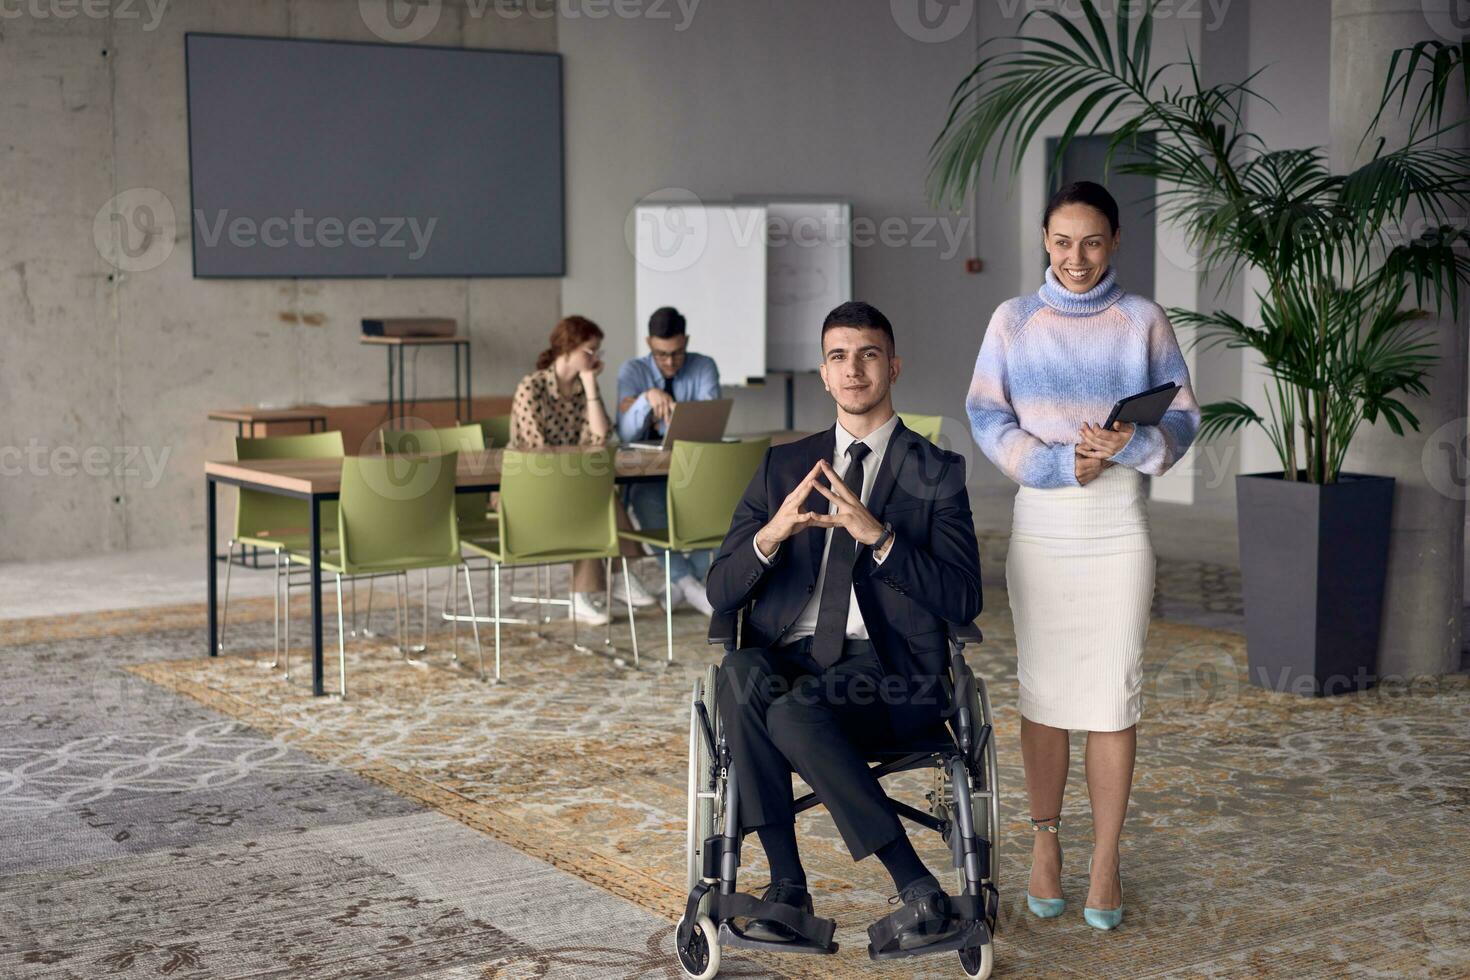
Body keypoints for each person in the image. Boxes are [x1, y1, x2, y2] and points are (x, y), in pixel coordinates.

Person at [707, 301, 982, 949]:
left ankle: (916, 885)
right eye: (838, 356)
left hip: (888, 676)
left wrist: (879, 537)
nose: (853, 369)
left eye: (867, 355)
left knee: (794, 711)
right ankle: (788, 888)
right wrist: (773, 532)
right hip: (792, 657)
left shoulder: (935, 472)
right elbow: (720, 589)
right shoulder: (783, 467)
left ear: (893, 366)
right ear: (824, 375)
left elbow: (963, 598)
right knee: (742, 672)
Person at [965, 180, 1201, 931]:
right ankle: (1045, 846)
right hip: (1043, 524)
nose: (1077, 257)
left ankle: (1105, 856)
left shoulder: (1142, 320)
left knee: (1110, 693)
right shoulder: (1014, 320)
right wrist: (1056, 465)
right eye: (1063, 242)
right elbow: (985, 413)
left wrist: (1131, 443)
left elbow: (1186, 418)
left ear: (1116, 242)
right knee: (1043, 694)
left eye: (1092, 242)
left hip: (1117, 527)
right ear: (1044, 240)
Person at [510, 315, 659, 625]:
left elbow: (601, 436)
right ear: (567, 347)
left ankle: (590, 592)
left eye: (597, 352)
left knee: (593, 491)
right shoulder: (531, 387)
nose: (595, 358)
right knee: (593, 492)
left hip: (572, 485)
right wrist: (578, 460)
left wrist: (590, 384)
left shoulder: (581, 388)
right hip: (527, 488)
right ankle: (617, 576)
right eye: (590, 351)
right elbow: (538, 453)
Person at [616, 306, 723, 615]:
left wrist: (675, 414)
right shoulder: (632, 371)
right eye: (662, 354)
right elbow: (625, 431)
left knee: (726, 505)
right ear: (649, 343)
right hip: (649, 474)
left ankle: (683, 581)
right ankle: (690, 585)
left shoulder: (704, 366)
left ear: (686, 341)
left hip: (696, 467)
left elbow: (710, 418)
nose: (670, 362)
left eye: (677, 353)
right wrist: (646, 398)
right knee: (645, 502)